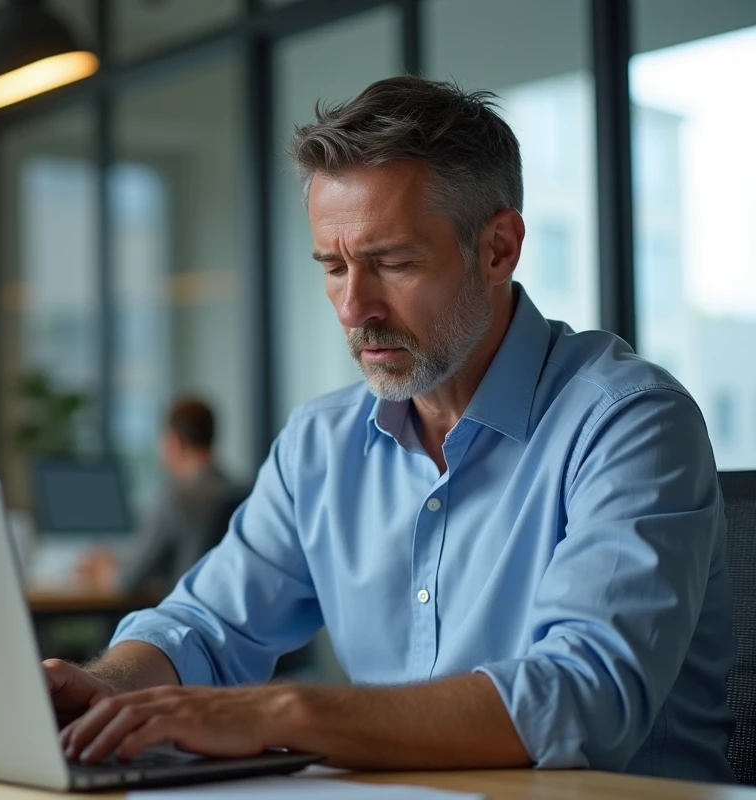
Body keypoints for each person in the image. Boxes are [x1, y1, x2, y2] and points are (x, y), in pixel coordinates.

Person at [43, 76, 735, 782]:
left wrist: (283, 715)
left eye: (392, 263)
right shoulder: (320, 444)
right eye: (333, 267)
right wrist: (110, 686)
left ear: (498, 248)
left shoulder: (629, 423)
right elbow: (204, 626)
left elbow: (582, 700)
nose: (353, 308)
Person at [76, 397, 246, 595]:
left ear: (174, 443)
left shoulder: (176, 498)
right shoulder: (240, 492)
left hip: (180, 615)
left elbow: (128, 580)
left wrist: (101, 571)